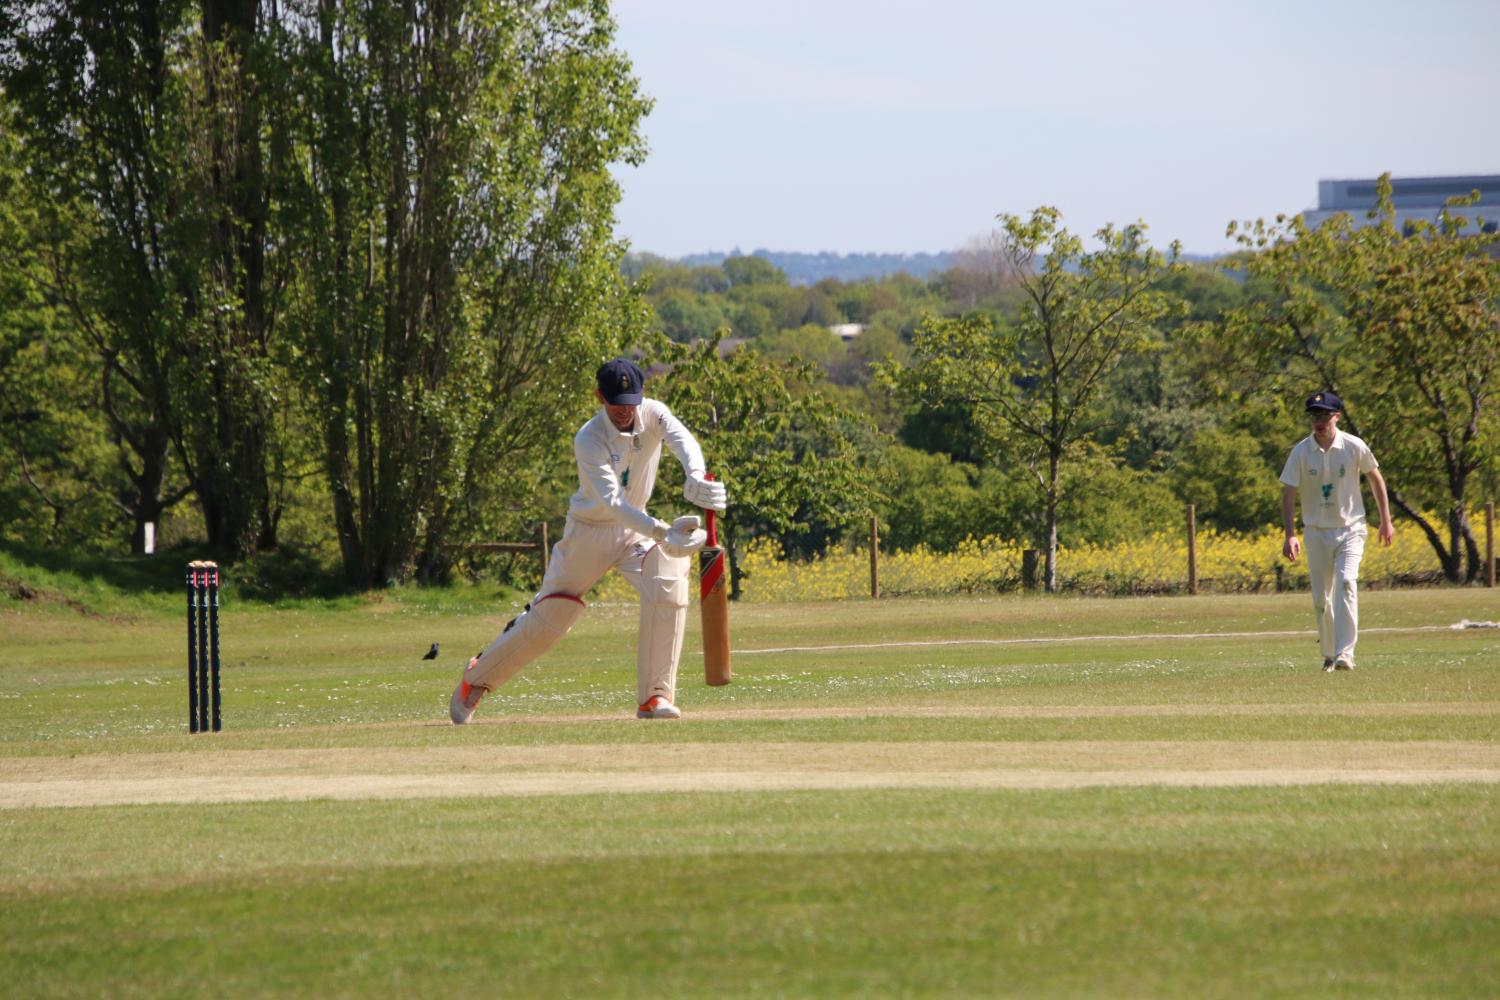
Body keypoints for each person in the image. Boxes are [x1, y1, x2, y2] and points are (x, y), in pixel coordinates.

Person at [449, 359, 727, 723]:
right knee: (550, 617)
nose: (625, 411)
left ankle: (655, 696)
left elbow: (683, 440)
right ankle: (477, 678)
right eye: (616, 404)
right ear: (599, 397)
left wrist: (695, 476)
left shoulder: (654, 413)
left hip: (635, 529)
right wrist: (663, 532)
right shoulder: (589, 438)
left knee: (669, 577)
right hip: (589, 532)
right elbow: (613, 504)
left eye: (631, 402)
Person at [1279, 390, 1394, 672]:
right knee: (1322, 599)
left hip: (1351, 528)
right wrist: (1290, 534)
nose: (1319, 421)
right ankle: (1329, 654)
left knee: (1347, 582)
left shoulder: (1353, 446)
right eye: (1314, 416)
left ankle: (1345, 653)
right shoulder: (1301, 452)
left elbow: (1375, 478)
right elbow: (1289, 493)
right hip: (1316, 531)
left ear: (1336, 416)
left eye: (1325, 416)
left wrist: (1386, 520)